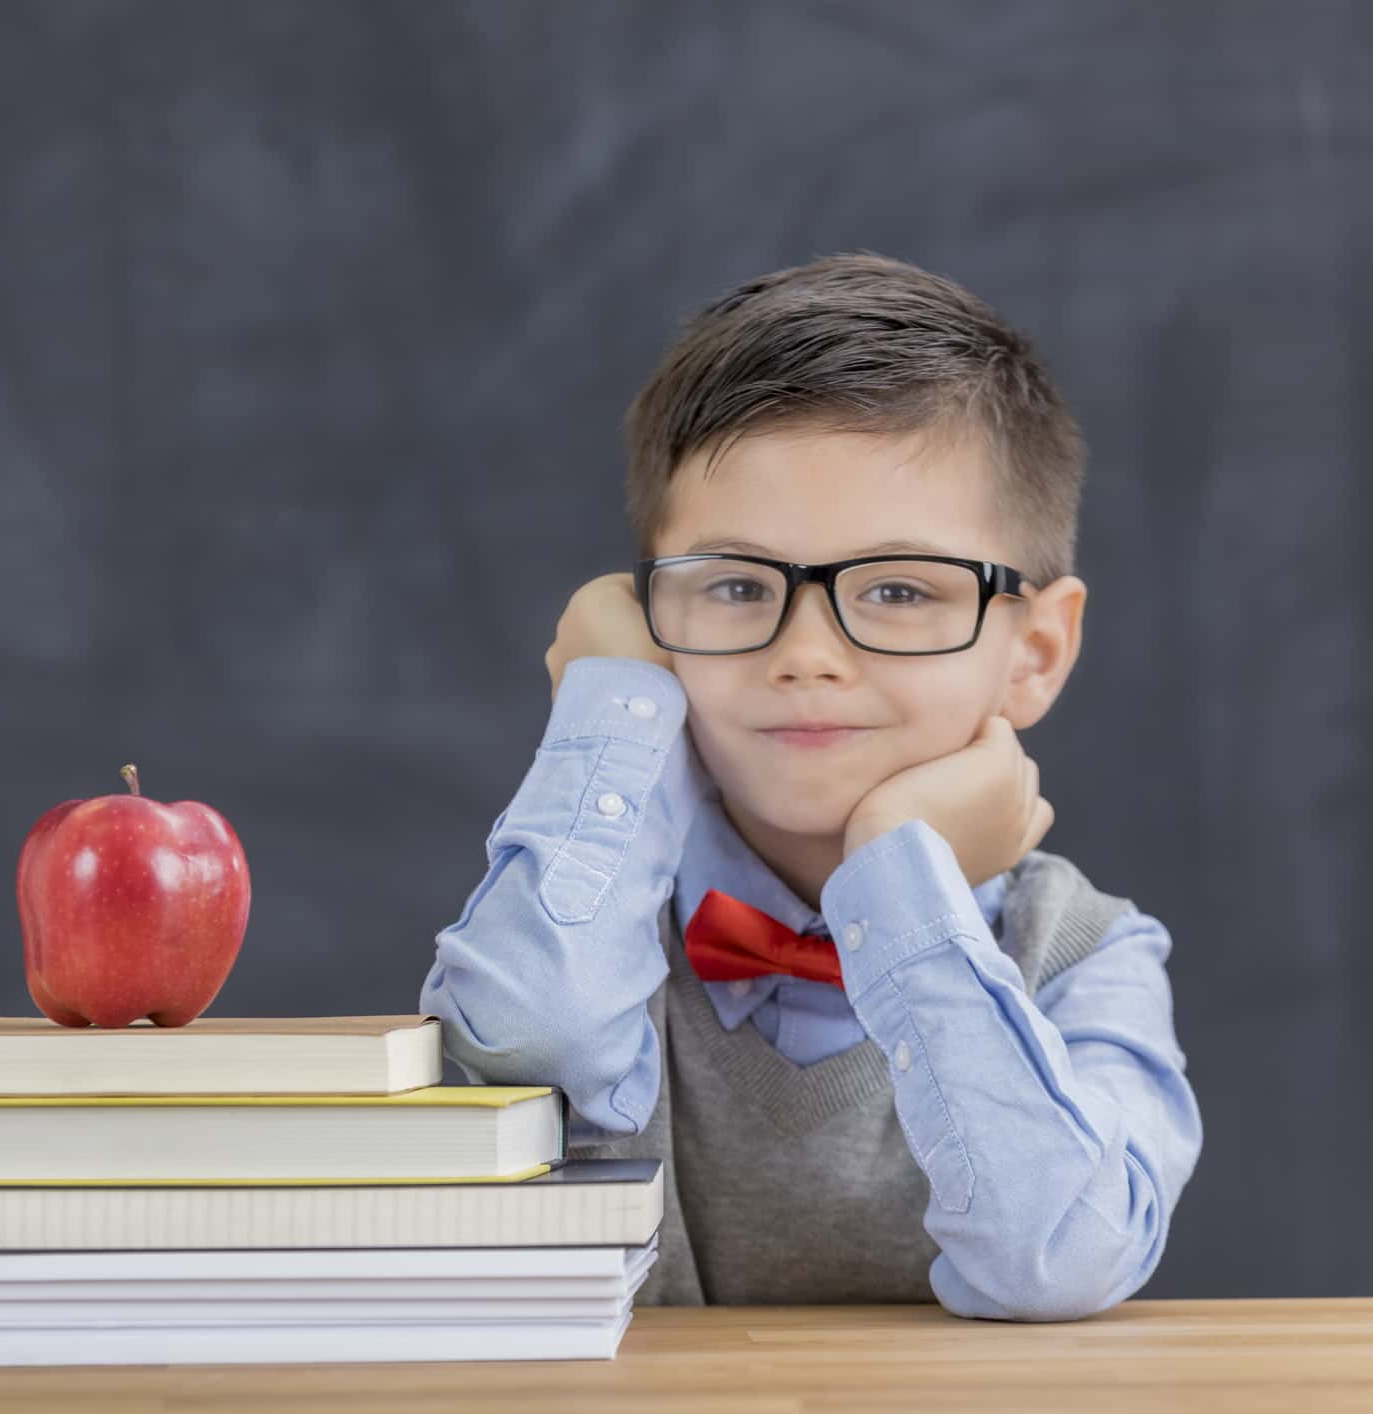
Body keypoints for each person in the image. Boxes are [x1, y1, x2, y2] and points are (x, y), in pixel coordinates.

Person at [419, 253, 1202, 1320]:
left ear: (1037, 650)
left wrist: (899, 880)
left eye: (896, 588)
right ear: (650, 621)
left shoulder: (1084, 958)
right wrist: (610, 711)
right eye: (737, 585)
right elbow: (523, 1059)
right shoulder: (585, 918)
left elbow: (1055, 1258)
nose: (808, 653)